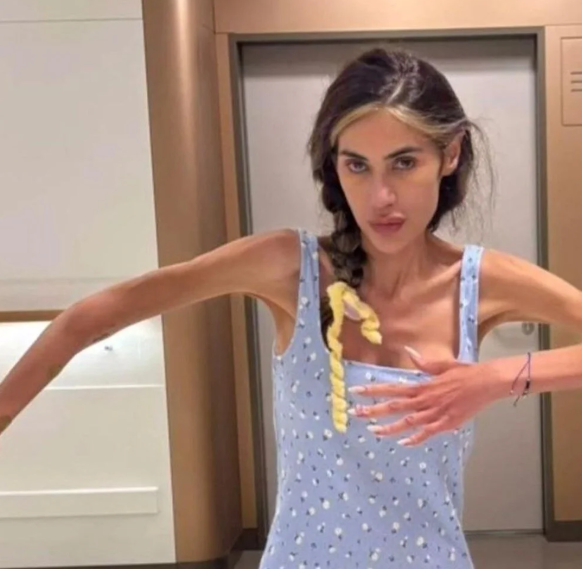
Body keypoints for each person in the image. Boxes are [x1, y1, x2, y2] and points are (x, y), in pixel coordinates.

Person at [1, 47, 582, 568]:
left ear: (449, 155)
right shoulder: (289, 267)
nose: (380, 197)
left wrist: (496, 378)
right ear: (335, 166)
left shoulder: (481, 281)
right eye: (357, 165)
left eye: (405, 163)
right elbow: (93, 316)